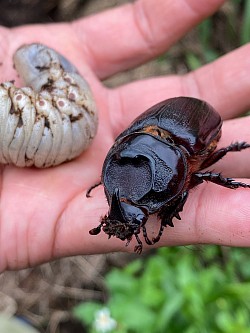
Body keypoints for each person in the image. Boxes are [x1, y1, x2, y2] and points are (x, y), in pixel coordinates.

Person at [0, 0, 250, 272]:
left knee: (201, 174)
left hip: (192, 125)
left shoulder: (175, 166)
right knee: (193, 180)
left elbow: (190, 185)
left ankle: (235, 149)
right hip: (157, 133)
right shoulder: (126, 166)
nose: (119, 199)